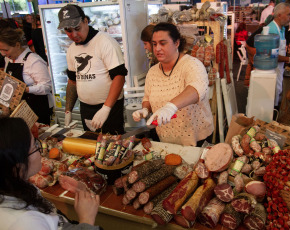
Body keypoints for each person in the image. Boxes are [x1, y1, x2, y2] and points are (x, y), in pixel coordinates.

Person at [0, 117, 100, 230]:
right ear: (18, 166)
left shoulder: (14, 186)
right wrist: (87, 219)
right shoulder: (25, 223)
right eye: (35, 146)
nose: (40, 152)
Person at [132, 23, 214, 147]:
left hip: (196, 138)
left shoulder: (192, 65)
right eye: (154, 44)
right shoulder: (152, 72)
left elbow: (197, 89)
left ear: (176, 43)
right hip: (165, 138)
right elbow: (148, 98)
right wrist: (145, 109)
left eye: (163, 43)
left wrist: (171, 106)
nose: (157, 48)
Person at [57, 4, 128, 134]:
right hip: (86, 108)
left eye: (77, 28)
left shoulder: (105, 42)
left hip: (110, 107)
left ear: (85, 21)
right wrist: (68, 110)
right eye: (68, 30)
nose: (74, 34)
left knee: (113, 145)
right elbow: (72, 81)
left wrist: (106, 108)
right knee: (92, 144)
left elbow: (119, 77)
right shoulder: (72, 49)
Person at [0, 27, 54, 124]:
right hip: (17, 109)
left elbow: (47, 87)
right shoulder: (8, 59)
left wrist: (25, 89)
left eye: (6, 50)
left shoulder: (34, 60)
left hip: (36, 108)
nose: (3, 54)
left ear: (17, 45)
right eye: (1, 50)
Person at [267, 2, 290, 107]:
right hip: (272, 70)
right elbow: (272, 55)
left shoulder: (281, 29)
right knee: (271, 99)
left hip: (278, 69)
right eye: (289, 14)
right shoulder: (272, 29)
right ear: (279, 15)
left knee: (276, 95)